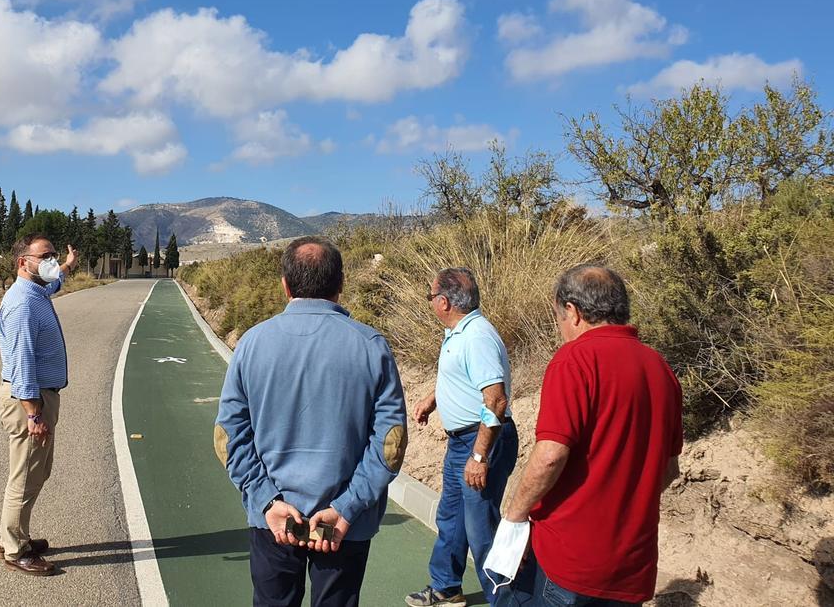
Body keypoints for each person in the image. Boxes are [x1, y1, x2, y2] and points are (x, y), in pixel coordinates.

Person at [215, 237, 407, 606]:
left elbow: (228, 437)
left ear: (285, 285)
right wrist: (347, 507)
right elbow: (390, 444)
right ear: (340, 284)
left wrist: (266, 501)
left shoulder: (253, 344)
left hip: (273, 519)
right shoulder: (371, 345)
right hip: (342, 527)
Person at [496, 265, 682, 606]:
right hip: (631, 566)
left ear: (573, 311)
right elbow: (669, 469)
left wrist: (514, 518)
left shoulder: (575, 359)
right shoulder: (660, 368)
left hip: (571, 563)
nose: (561, 328)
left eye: (559, 318)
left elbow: (550, 455)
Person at [406, 268, 519, 607]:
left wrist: (480, 456)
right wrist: (432, 398)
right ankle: (446, 588)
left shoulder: (477, 337)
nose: (430, 303)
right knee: (451, 518)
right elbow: (463, 379)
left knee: (481, 528)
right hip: (462, 442)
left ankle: (507, 601)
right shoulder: (457, 332)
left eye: (430, 297)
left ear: (443, 302)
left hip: (484, 441)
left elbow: (496, 400)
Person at [0, 234, 78, 575]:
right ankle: (15, 549)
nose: (51, 261)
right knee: (26, 476)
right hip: (29, 400)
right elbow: (22, 364)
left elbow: (52, 283)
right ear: (22, 262)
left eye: (54, 255)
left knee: (35, 471)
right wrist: (34, 413)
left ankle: (14, 536)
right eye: (45, 256)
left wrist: (66, 268)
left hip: (40, 397)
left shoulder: (37, 292)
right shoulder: (22, 305)